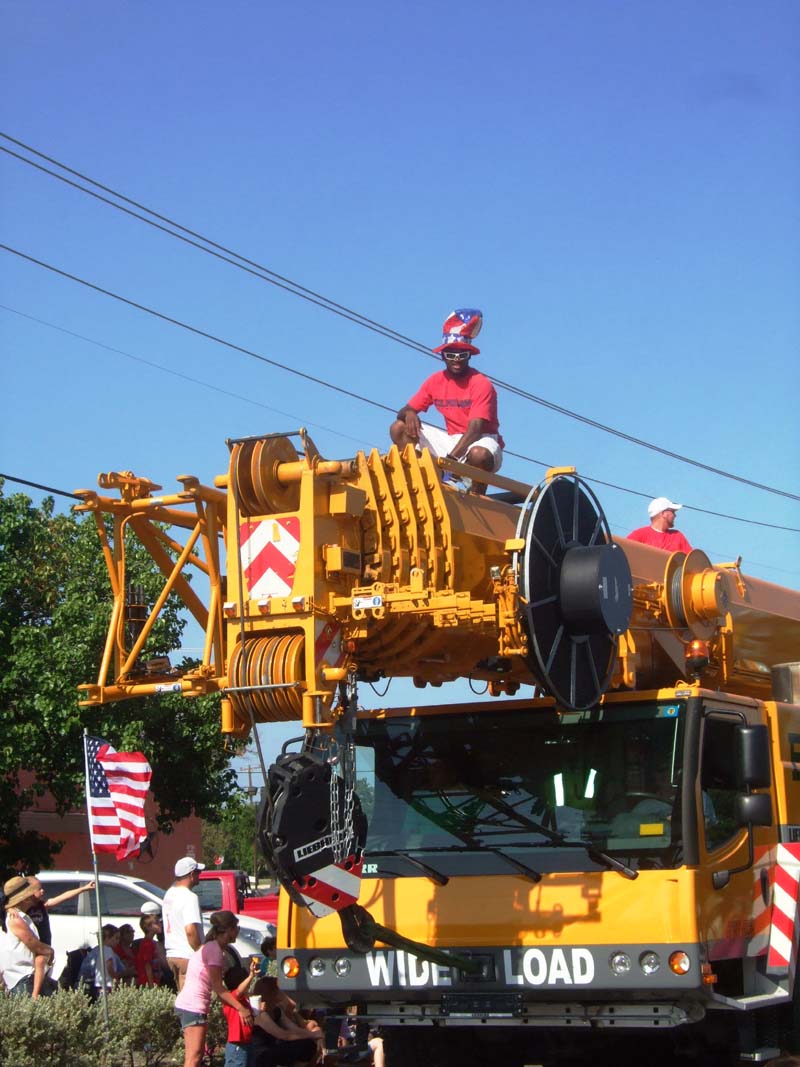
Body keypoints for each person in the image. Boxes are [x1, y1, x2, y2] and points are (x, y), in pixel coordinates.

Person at [389, 308, 504, 492]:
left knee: (478, 455)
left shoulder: (481, 384)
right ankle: (420, 483)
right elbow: (403, 411)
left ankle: (476, 497)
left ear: (470, 355)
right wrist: (409, 413)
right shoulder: (435, 381)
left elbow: (475, 430)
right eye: (451, 355)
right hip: (452, 442)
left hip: (481, 442)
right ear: (443, 355)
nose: (456, 360)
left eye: (462, 355)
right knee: (398, 427)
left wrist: (449, 463)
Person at [173, 910, 254, 1067]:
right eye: (236, 927)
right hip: (193, 1006)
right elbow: (218, 987)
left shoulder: (212, 947)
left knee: (194, 1057)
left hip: (190, 1005)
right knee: (194, 1058)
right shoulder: (214, 950)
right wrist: (240, 1008)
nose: (238, 931)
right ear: (229, 930)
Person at [0, 875, 56, 997]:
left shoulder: (17, 915)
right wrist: (50, 951)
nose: (34, 896)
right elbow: (35, 946)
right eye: (30, 893)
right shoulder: (16, 919)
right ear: (25, 899)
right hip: (24, 980)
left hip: (24, 979)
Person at [163, 855, 206, 991]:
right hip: (187, 956)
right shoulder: (190, 897)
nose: (200, 875)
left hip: (172, 954)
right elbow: (190, 930)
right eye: (198, 872)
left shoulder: (169, 894)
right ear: (192, 874)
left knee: (181, 997)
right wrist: (200, 952)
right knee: (190, 1002)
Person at [26, 875, 95, 946]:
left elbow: (64, 897)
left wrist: (84, 888)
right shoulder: (23, 910)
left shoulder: (42, 905)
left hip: (45, 946)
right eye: (39, 889)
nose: (42, 890)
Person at [221, 959, 260, 1067]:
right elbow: (239, 991)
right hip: (237, 1043)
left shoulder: (244, 1000)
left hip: (246, 1041)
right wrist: (251, 976)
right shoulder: (232, 997)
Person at [627, 496, 693, 553]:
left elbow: (692, 562)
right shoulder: (639, 535)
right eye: (673, 512)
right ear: (664, 514)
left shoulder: (678, 536)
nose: (675, 515)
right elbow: (623, 551)